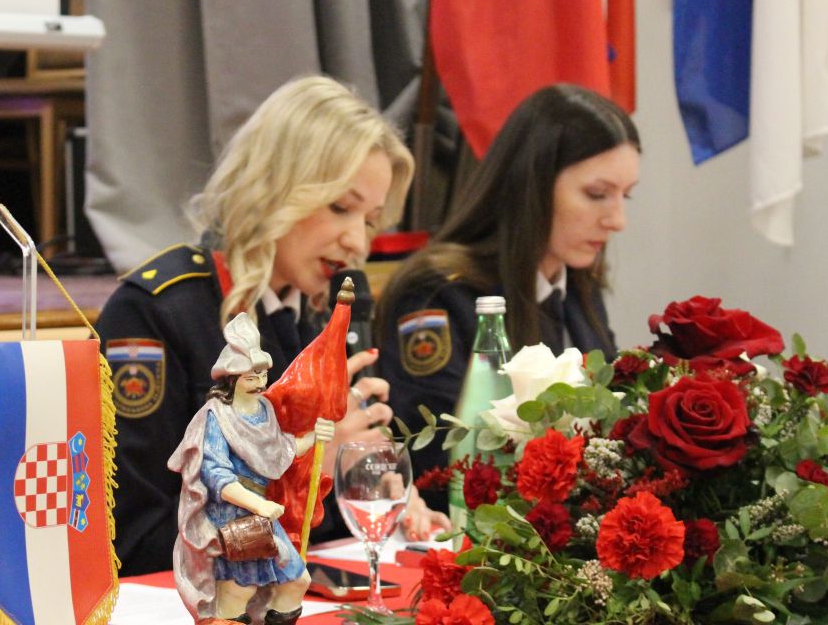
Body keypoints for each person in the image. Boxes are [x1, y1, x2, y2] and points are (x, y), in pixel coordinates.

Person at [98, 75, 446, 576]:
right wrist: (310, 469)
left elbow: (314, 534)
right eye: (341, 208)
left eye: (370, 221)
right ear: (275, 186)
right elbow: (135, 539)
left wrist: (376, 491)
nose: (357, 243)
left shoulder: (319, 314)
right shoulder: (159, 312)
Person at [377, 83, 640, 488]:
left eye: (626, 196)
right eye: (597, 194)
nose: (618, 220)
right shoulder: (437, 294)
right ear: (533, 185)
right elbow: (440, 462)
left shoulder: (575, 283)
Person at [171, 313, 334, 625]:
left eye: (262, 375)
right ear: (232, 379)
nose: (260, 384)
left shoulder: (264, 409)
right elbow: (216, 476)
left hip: (263, 512)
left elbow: (279, 450)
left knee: (296, 580)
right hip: (232, 516)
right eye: (252, 377)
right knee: (237, 591)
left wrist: (315, 436)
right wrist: (258, 505)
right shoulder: (216, 417)